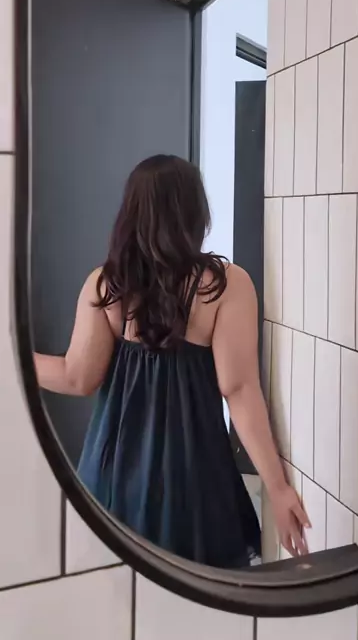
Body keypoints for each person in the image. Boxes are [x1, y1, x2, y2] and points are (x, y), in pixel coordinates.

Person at [34, 154, 310, 569]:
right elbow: (239, 390)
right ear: (196, 212)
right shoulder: (226, 286)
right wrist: (278, 487)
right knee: (199, 595)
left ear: (131, 214)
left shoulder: (107, 286)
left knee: (116, 591)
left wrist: (14, 359)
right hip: (194, 479)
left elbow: (77, 378)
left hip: (113, 475)